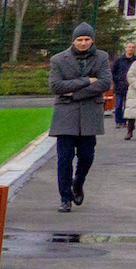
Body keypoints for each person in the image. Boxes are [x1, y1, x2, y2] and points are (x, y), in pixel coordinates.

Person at [49, 22, 109, 212]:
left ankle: (78, 182)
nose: (83, 43)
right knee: (64, 159)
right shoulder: (58, 60)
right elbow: (56, 87)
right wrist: (86, 81)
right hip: (65, 115)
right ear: (73, 41)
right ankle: (65, 197)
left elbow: (105, 83)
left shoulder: (101, 57)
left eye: (87, 39)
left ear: (92, 40)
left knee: (86, 156)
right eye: (79, 40)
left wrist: (74, 93)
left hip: (90, 114)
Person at [111, 40, 136, 136]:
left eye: (133, 47)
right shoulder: (119, 60)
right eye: (129, 47)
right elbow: (113, 72)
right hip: (119, 86)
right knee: (118, 105)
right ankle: (118, 121)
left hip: (131, 87)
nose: (130, 49)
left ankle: (125, 121)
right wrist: (117, 80)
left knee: (128, 105)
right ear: (125, 48)